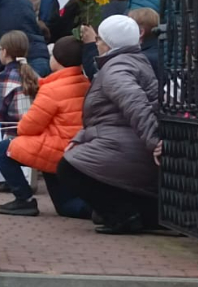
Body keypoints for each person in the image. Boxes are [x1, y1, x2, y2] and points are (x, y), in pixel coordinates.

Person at [57, 15, 161, 235]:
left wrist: (155, 142)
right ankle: (137, 213)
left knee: (69, 168)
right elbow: (105, 116)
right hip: (124, 142)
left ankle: (123, 216)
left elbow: (135, 104)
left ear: (111, 43)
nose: (97, 43)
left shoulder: (116, 69)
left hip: (129, 147)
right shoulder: (127, 62)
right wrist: (80, 138)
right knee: (77, 162)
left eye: (101, 39)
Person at [0, 37, 92, 219]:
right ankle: (99, 210)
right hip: (77, 149)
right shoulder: (86, 83)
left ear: (58, 60)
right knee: (66, 206)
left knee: (3, 149)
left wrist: (22, 125)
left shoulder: (52, 88)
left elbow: (28, 127)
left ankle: (25, 200)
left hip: (57, 149)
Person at [0, 30, 39, 132]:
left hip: (10, 140)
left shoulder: (2, 80)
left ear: (5, 52)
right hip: (33, 135)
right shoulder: (35, 76)